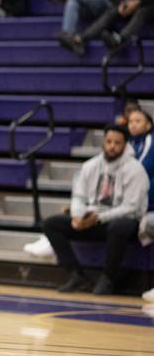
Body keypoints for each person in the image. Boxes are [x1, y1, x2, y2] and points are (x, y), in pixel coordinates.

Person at [42, 125, 149, 295]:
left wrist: (99, 218)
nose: (112, 146)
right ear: (103, 143)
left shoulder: (135, 170)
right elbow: (78, 196)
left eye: (117, 143)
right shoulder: (89, 166)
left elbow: (131, 207)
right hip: (92, 219)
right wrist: (78, 217)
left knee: (119, 226)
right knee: (51, 223)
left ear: (125, 145)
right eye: (108, 142)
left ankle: (108, 278)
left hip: (126, 221)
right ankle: (76, 275)